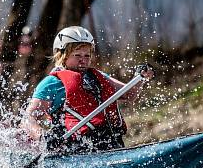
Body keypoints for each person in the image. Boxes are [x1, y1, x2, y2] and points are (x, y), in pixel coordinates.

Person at [23, 26, 154, 153]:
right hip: (75, 153)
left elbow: (130, 95)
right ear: (61, 55)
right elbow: (28, 118)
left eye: (87, 56)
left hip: (112, 147)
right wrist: (42, 138)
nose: (83, 60)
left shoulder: (98, 77)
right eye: (77, 55)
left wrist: (139, 78)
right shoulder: (51, 83)